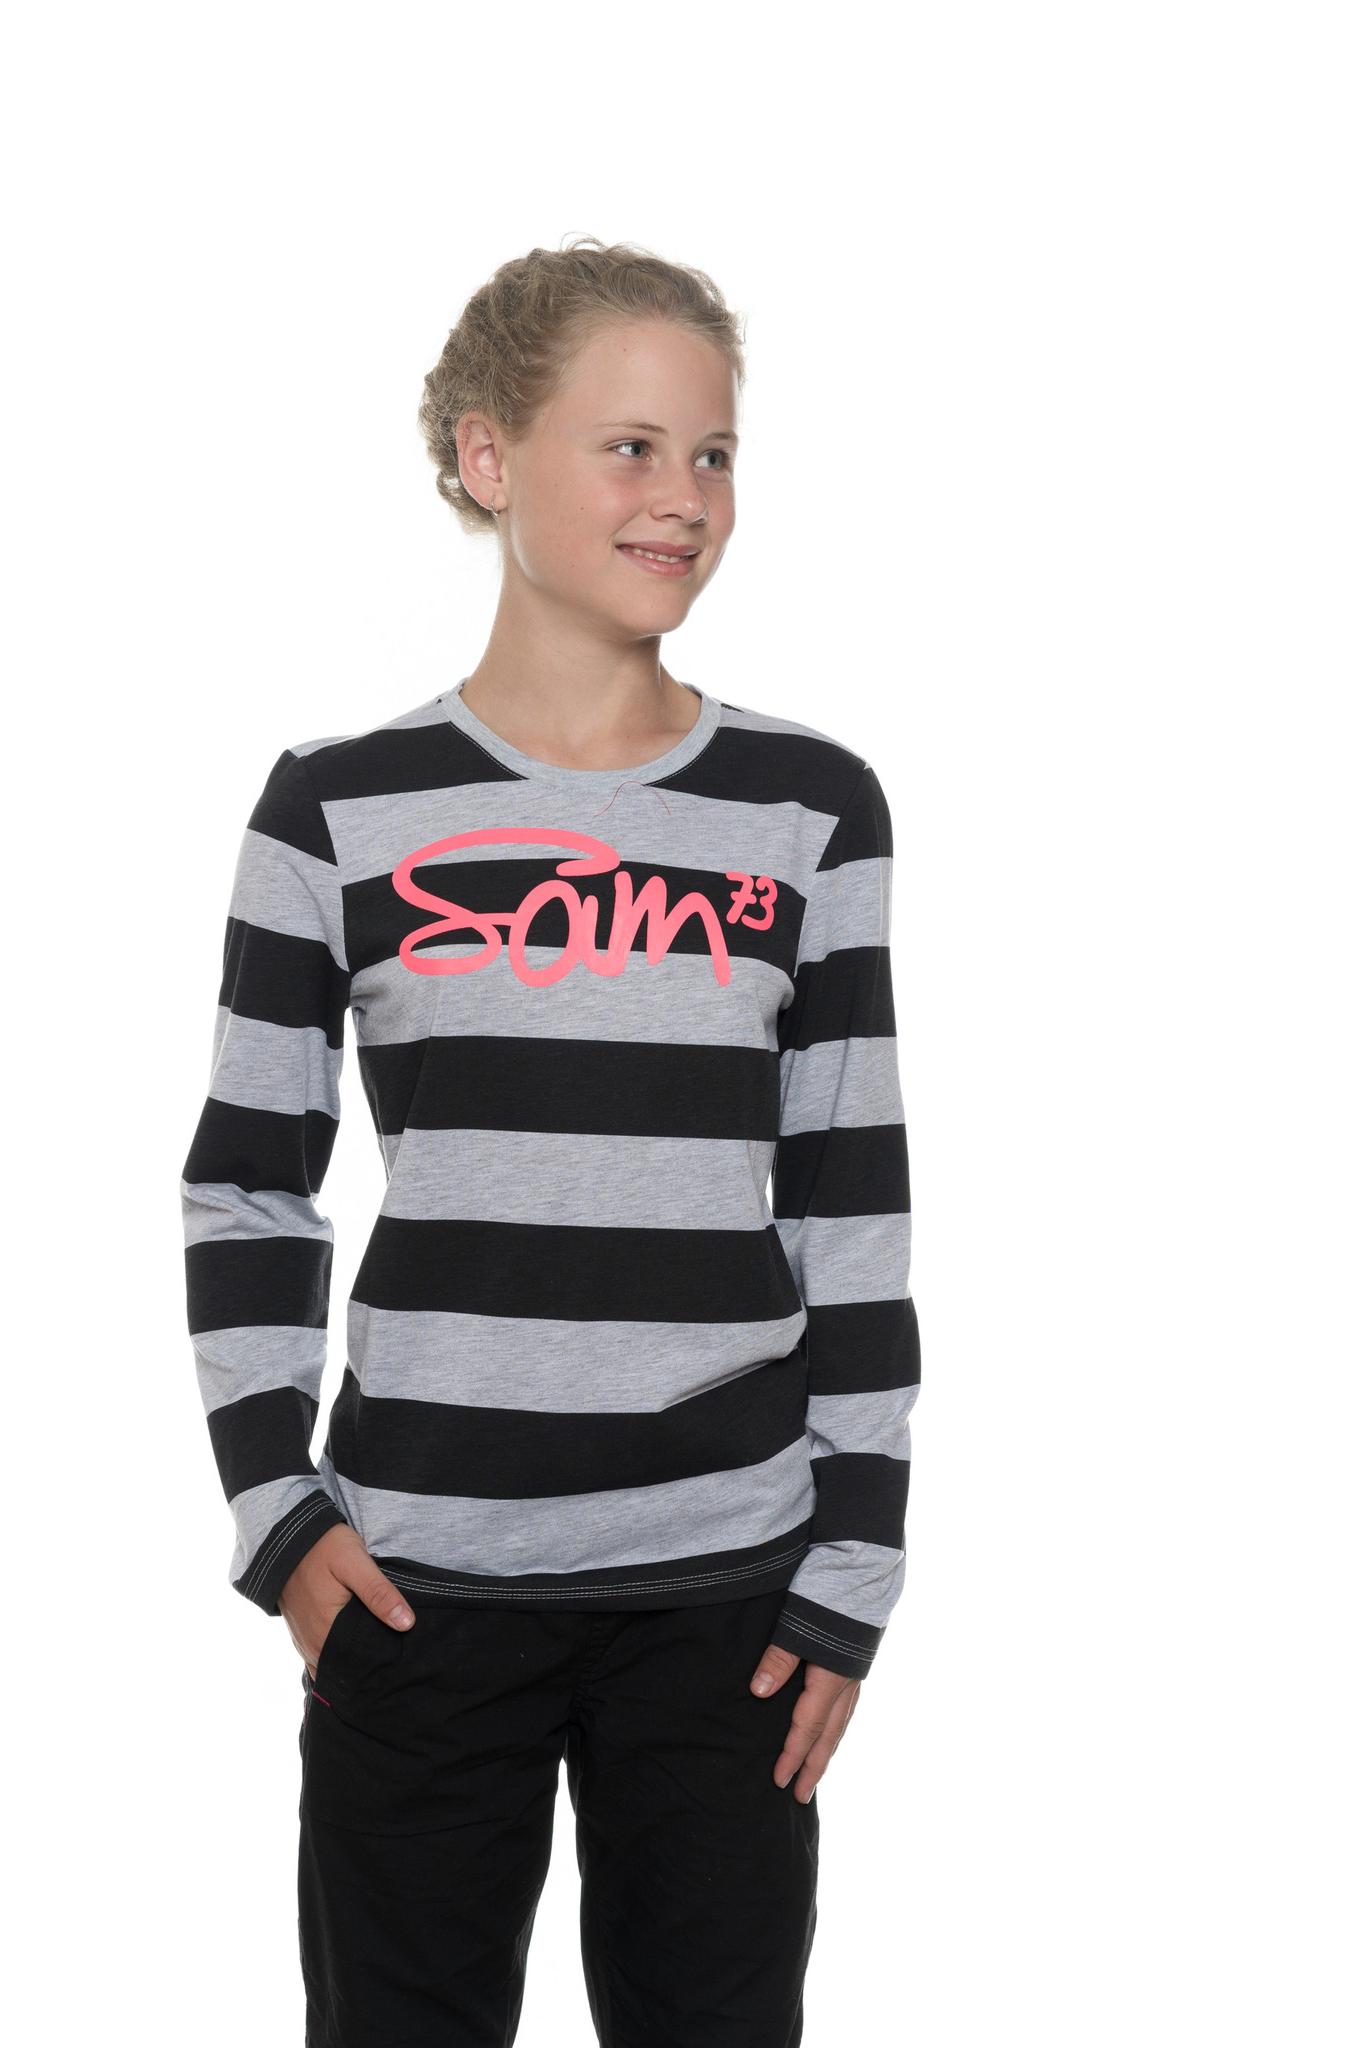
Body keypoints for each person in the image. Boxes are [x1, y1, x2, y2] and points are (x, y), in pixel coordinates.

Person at [181, 239, 919, 2048]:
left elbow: (852, 1193)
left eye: (715, 454)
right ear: (487, 455)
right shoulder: (336, 809)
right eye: (633, 448)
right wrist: (279, 1516)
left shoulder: (810, 809)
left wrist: (852, 1567)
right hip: (416, 1588)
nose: (685, 499)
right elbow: (250, 1178)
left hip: (729, 1596)